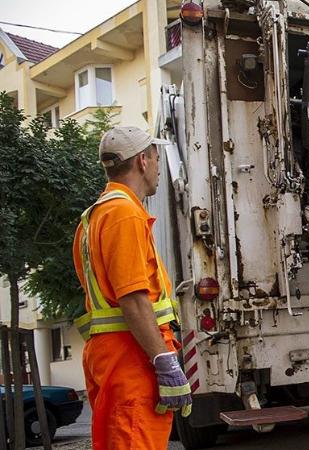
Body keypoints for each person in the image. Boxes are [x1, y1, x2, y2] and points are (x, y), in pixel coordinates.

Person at [72, 126, 192, 449]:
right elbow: (133, 300)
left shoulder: (95, 216)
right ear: (142, 161)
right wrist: (163, 360)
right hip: (131, 366)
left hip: (117, 362)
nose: (157, 167)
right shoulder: (123, 214)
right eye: (155, 157)